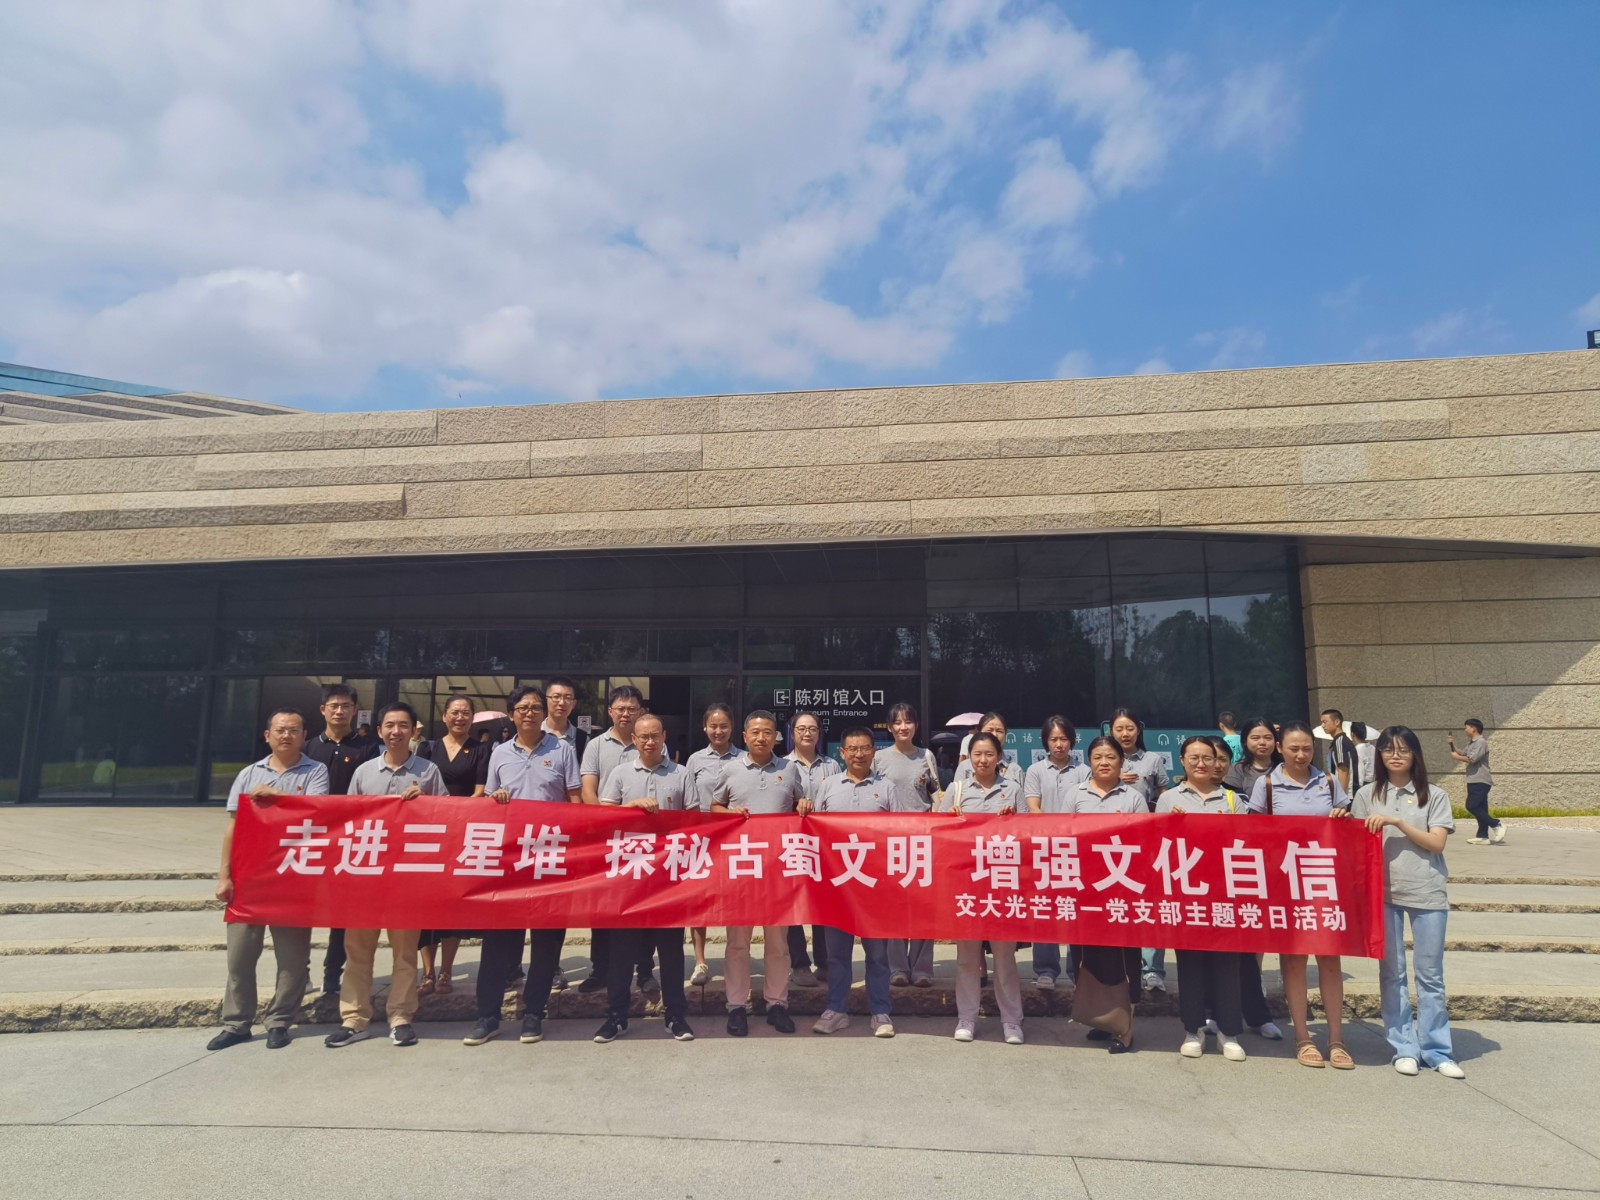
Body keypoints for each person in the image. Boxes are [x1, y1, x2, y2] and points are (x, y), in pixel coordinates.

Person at [205, 708, 330, 1051]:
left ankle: (279, 1022)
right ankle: (237, 1023)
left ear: (304, 736)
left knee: (292, 960)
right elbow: (233, 827)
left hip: (293, 876)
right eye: (280, 730)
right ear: (267, 736)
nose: (286, 735)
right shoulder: (249, 774)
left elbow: (318, 810)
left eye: (294, 730)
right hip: (250, 878)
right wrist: (224, 875)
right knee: (240, 957)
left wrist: (278, 797)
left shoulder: (316, 771)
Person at [463, 685, 581, 1047]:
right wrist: (495, 800)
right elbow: (487, 803)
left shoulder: (563, 750)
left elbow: (575, 800)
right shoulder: (499, 753)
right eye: (523, 708)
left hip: (549, 859)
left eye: (535, 707)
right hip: (509, 862)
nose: (530, 713)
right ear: (512, 714)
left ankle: (533, 1013)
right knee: (498, 942)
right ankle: (488, 1016)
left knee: (546, 941)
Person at [326, 702, 443, 1049]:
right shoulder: (363, 773)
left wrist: (426, 802)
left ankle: (401, 1017)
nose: (396, 731)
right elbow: (348, 821)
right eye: (389, 725)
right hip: (366, 877)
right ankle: (354, 1019)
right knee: (358, 952)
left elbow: (448, 818)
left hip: (407, 878)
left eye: (403, 725)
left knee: (405, 953)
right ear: (379, 731)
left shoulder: (429, 772)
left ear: (414, 731)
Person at [1353, 726, 1465, 1079]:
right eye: (1388, 749)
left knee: (1430, 975)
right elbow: (1355, 844)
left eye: (1403, 749)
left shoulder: (1434, 794)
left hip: (1427, 890)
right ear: (1380, 755)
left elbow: (1436, 843)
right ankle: (1404, 1047)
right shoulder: (1366, 794)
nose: (1395, 755)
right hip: (1382, 894)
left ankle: (1437, 1050)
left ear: (1415, 754)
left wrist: (1398, 821)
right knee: (1392, 973)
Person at [1247, 720, 1354, 1069]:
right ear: (1280, 748)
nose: (1301, 754)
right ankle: (1303, 1037)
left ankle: (1336, 1039)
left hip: (1323, 881)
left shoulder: (1328, 782)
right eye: (1293, 748)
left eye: (1307, 748)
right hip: (1284, 882)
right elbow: (1253, 833)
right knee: (1293, 960)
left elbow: (1349, 824)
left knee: (1330, 958)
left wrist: (1342, 816)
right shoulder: (1266, 785)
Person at [593, 713, 698, 1044]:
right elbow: (603, 817)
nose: (649, 741)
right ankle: (617, 1017)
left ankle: (675, 1015)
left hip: (668, 877)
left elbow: (694, 820)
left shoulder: (681, 774)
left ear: (664, 736)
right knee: (622, 951)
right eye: (643, 737)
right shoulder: (620, 773)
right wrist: (633, 806)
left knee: (671, 950)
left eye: (655, 735)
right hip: (629, 876)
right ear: (634, 740)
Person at [710, 710, 810, 1036]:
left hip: (779, 871)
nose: (761, 738)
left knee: (778, 944)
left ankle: (777, 1004)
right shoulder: (730, 769)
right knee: (737, 944)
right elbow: (714, 807)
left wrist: (804, 806)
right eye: (755, 732)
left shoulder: (789, 768)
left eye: (767, 732)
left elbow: (801, 805)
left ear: (776, 737)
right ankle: (736, 1007)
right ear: (744, 736)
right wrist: (729, 812)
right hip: (741, 870)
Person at [1156, 737, 1248, 1062]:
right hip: (1187, 893)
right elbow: (1157, 847)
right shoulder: (1168, 799)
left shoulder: (1233, 800)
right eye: (1193, 757)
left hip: (1224, 892)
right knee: (1190, 962)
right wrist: (1171, 826)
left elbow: (1248, 844)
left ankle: (1228, 1032)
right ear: (1182, 761)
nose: (1201, 763)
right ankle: (1192, 1028)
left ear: (1217, 762)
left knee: (1227, 963)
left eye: (1207, 757)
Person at [812, 726, 901, 1038]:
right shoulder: (827, 787)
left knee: (877, 954)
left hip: (875, 887)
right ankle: (836, 1010)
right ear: (842, 753)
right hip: (837, 886)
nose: (859, 754)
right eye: (853, 748)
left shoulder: (887, 788)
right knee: (837, 954)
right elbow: (813, 832)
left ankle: (880, 1011)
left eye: (865, 748)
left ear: (874, 751)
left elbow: (900, 834)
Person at [1060, 735, 1146, 1053]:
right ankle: (1102, 1018)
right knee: (1088, 956)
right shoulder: (1075, 795)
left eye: (1111, 756)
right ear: (1089, 762)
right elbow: (1063, 837)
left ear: (1121, 762)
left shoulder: (1134, 797)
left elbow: (1144, 842)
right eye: (1097, 757)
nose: (1104, 762)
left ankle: (1126, 1029)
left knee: (1124, 958)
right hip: (1084, 889)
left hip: (1122, 890)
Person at [943, 731, 1025, 1045]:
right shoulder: (957, 790)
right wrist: (951, 819)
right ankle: (966, 1018)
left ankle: (1012, 1021)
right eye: (977, 754)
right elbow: (938, 835)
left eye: (989, 754)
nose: (983, 760)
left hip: (1003, 884)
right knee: (967, 957)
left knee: (1005, 958)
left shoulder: (1012, 789)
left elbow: (1029, 835)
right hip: (967, 884)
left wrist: (1013, 820)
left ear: (999, 757)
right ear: (969, 757)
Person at [303, 683, 378, 1006]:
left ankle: (332, 975)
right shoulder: (308, 747)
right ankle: (300, 972)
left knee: (340, 912)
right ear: (323, 710)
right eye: (333, 705)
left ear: (355, 710)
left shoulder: (368, 748)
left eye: (346, 706)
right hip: (312, 839)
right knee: (304, 908)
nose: (339, 711)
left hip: (351, 840)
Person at [578, 686, 649, 996]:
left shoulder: (649, 741)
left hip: (643, 840)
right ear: (610, 712)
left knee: (644, 906)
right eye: (620, 708)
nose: (626, 714)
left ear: (641, 712)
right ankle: (600, 970)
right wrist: (605, 821)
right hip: (606, 838)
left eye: (632, 708)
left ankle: (644, 970)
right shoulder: (596, 745)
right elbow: (588, 790)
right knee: (603, 907)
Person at [417, 696, 489, 997]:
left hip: (461, 834)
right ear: (444, 716)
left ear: (472, 718)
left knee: (452, 906)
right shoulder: (427, 748)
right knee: (426, 905)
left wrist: (453, 812)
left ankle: (446, 971)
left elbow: (481, 791)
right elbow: (418, 787)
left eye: (466, 713)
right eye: (454, 712)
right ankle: (428, 973)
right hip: (429, 834)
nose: (460, 717)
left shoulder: (481, 750)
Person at [873, 701, 942, 987]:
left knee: (925, 906)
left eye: (908, 721)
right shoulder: (878, 758)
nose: (903, 727)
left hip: (924, 840)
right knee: (895, 907)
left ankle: (923, 968)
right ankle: (897, 968)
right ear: (889, 727)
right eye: (898, 722)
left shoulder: (927, 755)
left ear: (916, 725)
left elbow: (936, 793)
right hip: (890, 841)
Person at [1024, 715, 1087, 990]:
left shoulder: (1084, 771)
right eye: (1053, 739)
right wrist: (1054, 831)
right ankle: (1046, 969)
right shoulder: (1035, 770)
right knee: (1044, 909)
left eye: (1063, 739)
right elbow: (1033, 807)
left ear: (1071, 741)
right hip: (1045, 848)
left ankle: (1077, 971)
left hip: (1076, 848)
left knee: (1075, 910)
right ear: (1045, 742)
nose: (1059, 744)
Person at [1109, 708, 1169, 992]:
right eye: (1119, 728)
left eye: (1129, 728)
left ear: (1139, 729)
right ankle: (1119, 966)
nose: (1125, 734)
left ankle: (1153, 969)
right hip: (1110, 844)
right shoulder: (1105, 758)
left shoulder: (1152, 760)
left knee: (1149, 905)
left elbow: (1163, 793)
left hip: (1145, 840)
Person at [684, 703, 740, 986]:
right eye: (713, 726)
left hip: (735, 839)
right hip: (703, 839)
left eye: (724, 726)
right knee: (699, 901)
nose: (718, 731)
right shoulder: (694, 760)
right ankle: (700, 961)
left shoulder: (744, 758)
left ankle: (736, 957)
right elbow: (689, 800)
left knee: (736, 898)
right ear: (705, 727)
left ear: (732, 728)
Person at [784, 710, 838, 988]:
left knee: (822, 903)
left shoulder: (832, 765)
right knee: (794, 905)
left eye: (812, 728)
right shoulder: (782, 765)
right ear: (792, 733)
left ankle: (825, 962)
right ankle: (799, 964)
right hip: (791, 844)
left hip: (824, 844)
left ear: (819, 733)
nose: (807, 733)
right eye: (801, 728)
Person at [1449, 719, 1504, 845]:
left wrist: (1457, 758)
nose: (1465, 729)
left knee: (1471, 806)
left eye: (1466, 727)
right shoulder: (1472, 743)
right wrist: (1452, 745)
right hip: (1473, 780)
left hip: (1480, 780)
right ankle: (1482, 836)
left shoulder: (1481, 742)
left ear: (1474, 728)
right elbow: (1463, 753)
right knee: (1481, 808)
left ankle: (1496, 824)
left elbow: (1472, 759)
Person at [952, 712, 1025, 787]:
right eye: (989, 730)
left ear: (1006, 734)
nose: (995, 735)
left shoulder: (1015, 770)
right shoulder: (965, 767)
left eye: (999, 731)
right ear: (979, 733)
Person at [1319, 708, 1360, 795]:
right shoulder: (1342, 741)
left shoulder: (1340, 742)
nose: (1322, 725)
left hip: (1348, 794)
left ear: (1337, 722)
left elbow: (1343, 770)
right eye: (1321, 722)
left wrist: (1340, 796)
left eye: (1325, 722)